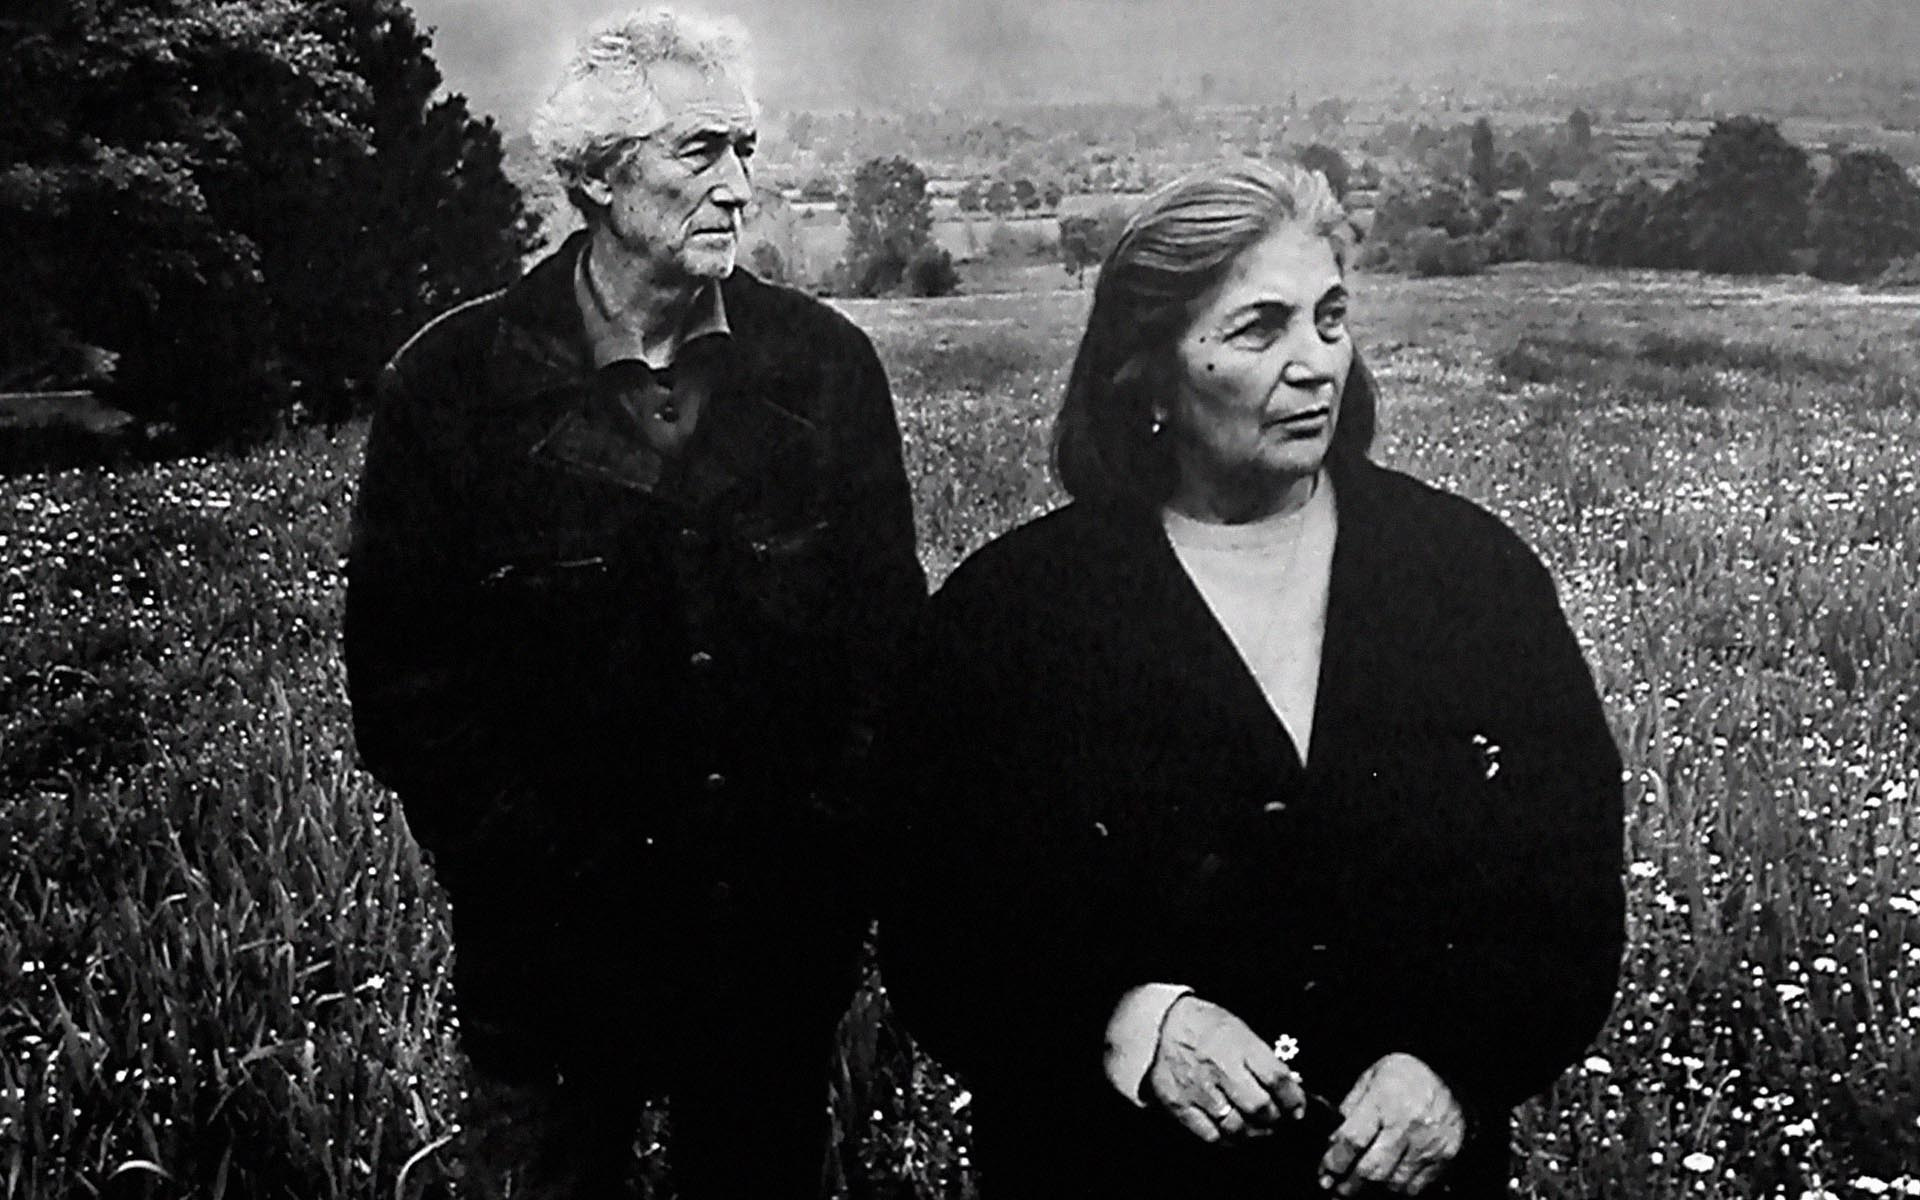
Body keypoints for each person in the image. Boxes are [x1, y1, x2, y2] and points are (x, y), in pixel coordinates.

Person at [878, 161, 1623, 1199]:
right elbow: (938, 929)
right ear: (1146, 372)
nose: (1315, 362)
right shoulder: (1011, 617)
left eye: (1330, 318)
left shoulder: (1470, 577)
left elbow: (1568, 895)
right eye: (1259, 328)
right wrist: (1135, 1025)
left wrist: (1455, 1068)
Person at [343, 9, 924, 1197]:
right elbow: (407, 689)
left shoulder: (826, 368)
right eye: (700, 150)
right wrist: (537, 882)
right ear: (601, 177)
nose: (739, 186)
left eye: (746, 149)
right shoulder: (450, 388)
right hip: (547, 976)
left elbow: (888, 652)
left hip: (773, 963)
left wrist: (823, 876)